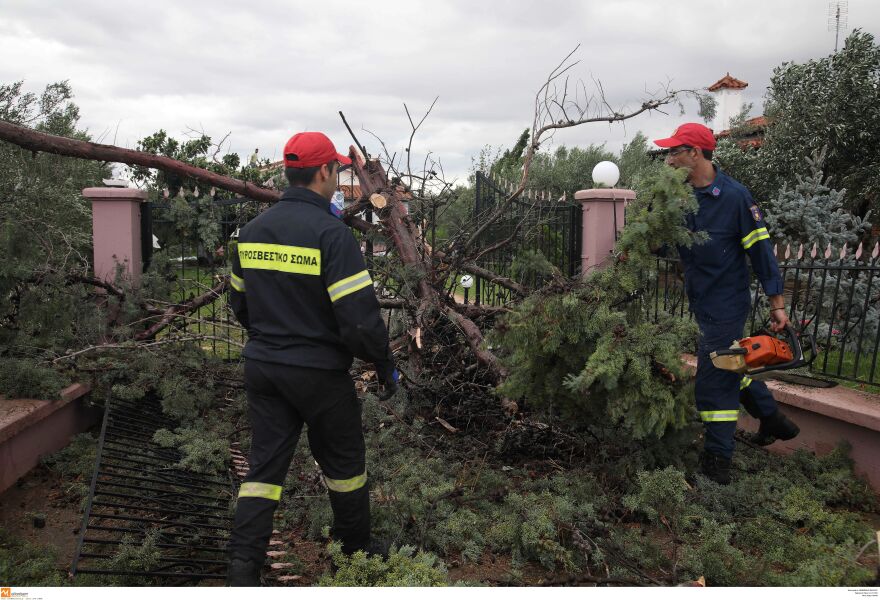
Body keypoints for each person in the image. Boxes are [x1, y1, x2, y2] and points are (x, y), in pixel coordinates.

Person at [226, 131, 398, 585]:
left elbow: (239, 302)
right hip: (321, 376)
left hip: (265, 369)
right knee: (344, 467)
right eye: (338, 171)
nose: (339, 177)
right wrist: (383, 364)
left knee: (263, 469)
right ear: (323, 172)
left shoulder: (251, 232)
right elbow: (360, 322)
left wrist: (271, 339)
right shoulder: (332, 235)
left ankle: (243, 570)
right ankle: (352, 550)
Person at [654, 123, 799, 485]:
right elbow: (661, 244)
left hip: (727, 302)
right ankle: (772, 418)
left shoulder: (735, 198)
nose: (668, 159)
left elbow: (762, 252)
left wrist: (777, 304)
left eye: (675, 151)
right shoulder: (680, 197)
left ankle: (717, 466)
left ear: (696, 154)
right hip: (700, 300)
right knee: (727, 366)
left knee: (712, 380)